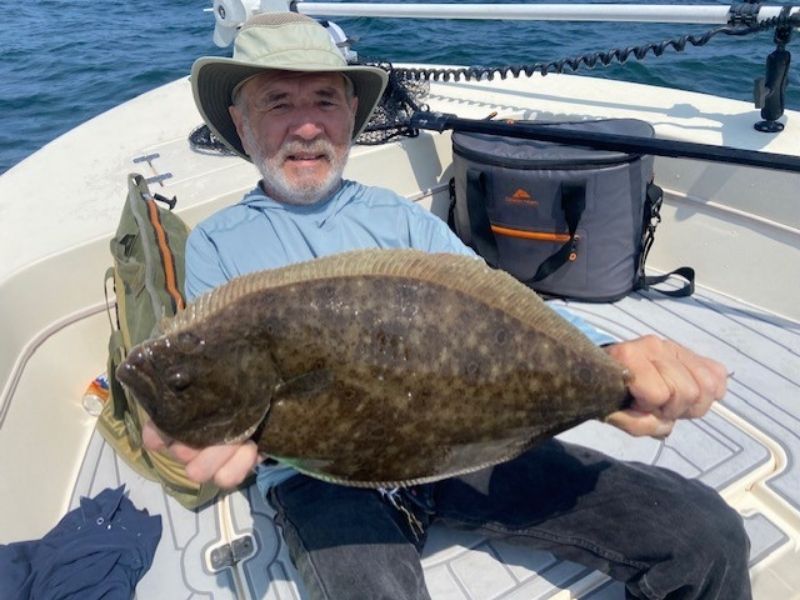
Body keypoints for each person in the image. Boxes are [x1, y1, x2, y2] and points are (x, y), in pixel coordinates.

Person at [143, 13, 751, 600]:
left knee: (705, 534)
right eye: (278, 103)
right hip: (319, 476)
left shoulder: (399, 216)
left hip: (462, 440)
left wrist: (608, 361)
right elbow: (222, 386)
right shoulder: (218, 245)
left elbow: (499, 310)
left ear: (352, 114)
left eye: (325, 100)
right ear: (240, 121)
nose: (306, 127)